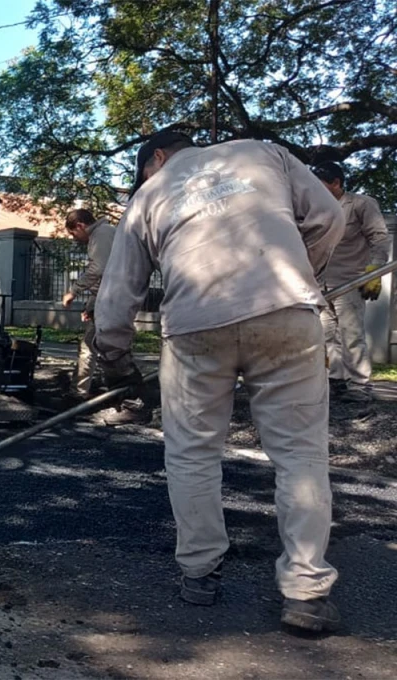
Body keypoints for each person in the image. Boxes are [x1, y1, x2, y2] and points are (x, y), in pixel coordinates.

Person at [94, 131, 346, 632]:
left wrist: (112, 354)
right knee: (300, 454)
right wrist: (303, 271)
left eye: (144, 168)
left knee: (192, 453)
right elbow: (329, 217)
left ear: (158, 157)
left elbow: (121, 287)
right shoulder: (263, 152)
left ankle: (198, 572)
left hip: (194, 326)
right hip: (285, 310)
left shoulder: (149, 194)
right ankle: (305, 590)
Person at [310, 161, 392, 403]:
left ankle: (359, 385)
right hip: (323, 284)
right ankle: (335, 381)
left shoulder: (360, 204)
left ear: (336, 182)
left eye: (321, 185)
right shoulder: (318, 209)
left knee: (351, 335)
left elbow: (379, 237)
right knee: (325, 336)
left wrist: (374, 271)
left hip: (350, 280)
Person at [61, 208, 116, 395]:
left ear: (80, 226)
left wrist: (73, 291)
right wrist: (92, 305)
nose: (74, 238)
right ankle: (119, 392)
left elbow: (98, 269)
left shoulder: (101, 235)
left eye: (73, 233)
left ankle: (79, 393)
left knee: (90, 346)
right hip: (109, 297)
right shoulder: (107, 233)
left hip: (111, 298)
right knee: (103, 344)